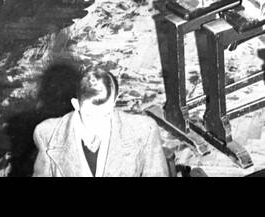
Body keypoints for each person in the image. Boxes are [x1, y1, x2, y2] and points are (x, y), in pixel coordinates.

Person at [33, 65, 167, 177]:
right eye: (90, 115)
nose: (98, 125)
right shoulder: (48, 134)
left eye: (106, 114)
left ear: (115, 100)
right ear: (76, 105)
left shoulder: (144, 131)